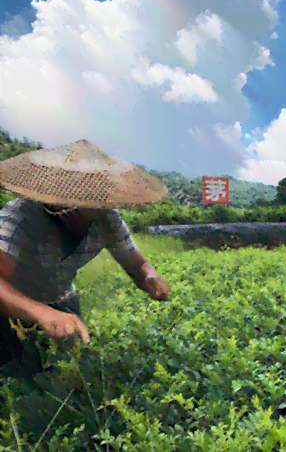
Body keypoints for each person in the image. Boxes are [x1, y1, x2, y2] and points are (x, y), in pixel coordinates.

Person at [0, 139, 171, 380]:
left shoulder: (106, 219)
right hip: (14, 304)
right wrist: (40, 312)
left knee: (70, 374)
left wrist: (149, 277)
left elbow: (136, 263)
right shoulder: (20, 219)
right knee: (16, 377)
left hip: (62, 299)